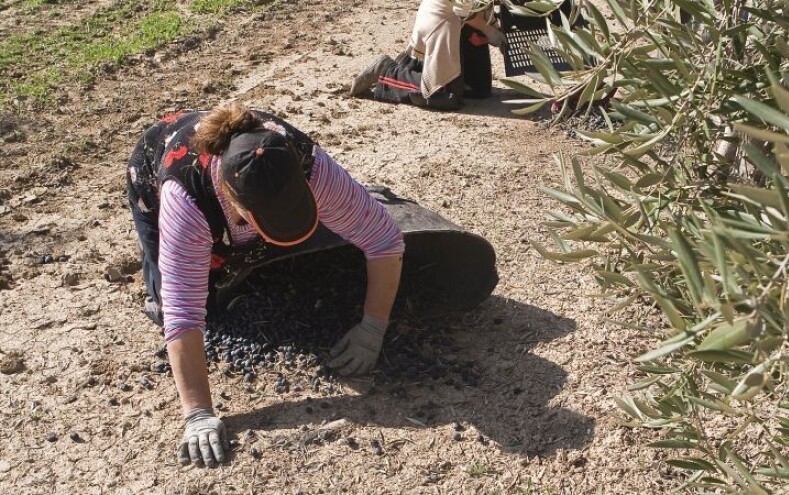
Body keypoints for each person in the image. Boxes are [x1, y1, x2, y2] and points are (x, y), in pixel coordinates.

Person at [125, 102, 405, 467]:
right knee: (180, 294)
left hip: (238, 192)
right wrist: (198, 413)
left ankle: (241, 255)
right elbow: (184, 312)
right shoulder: (186, 202)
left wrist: (373, 327)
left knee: (259, 259)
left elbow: (384, 239)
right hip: (155, 167)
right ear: (235, 201)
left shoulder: (307, 163)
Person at [349, 0, 506, 110]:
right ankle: (388, 71)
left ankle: (419, 67)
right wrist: (489, 31)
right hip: (440, 23)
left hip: (460, 23)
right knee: (445, 96)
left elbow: (481, 6)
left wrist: (494, 30)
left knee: (479, 89)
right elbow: (462, 7)